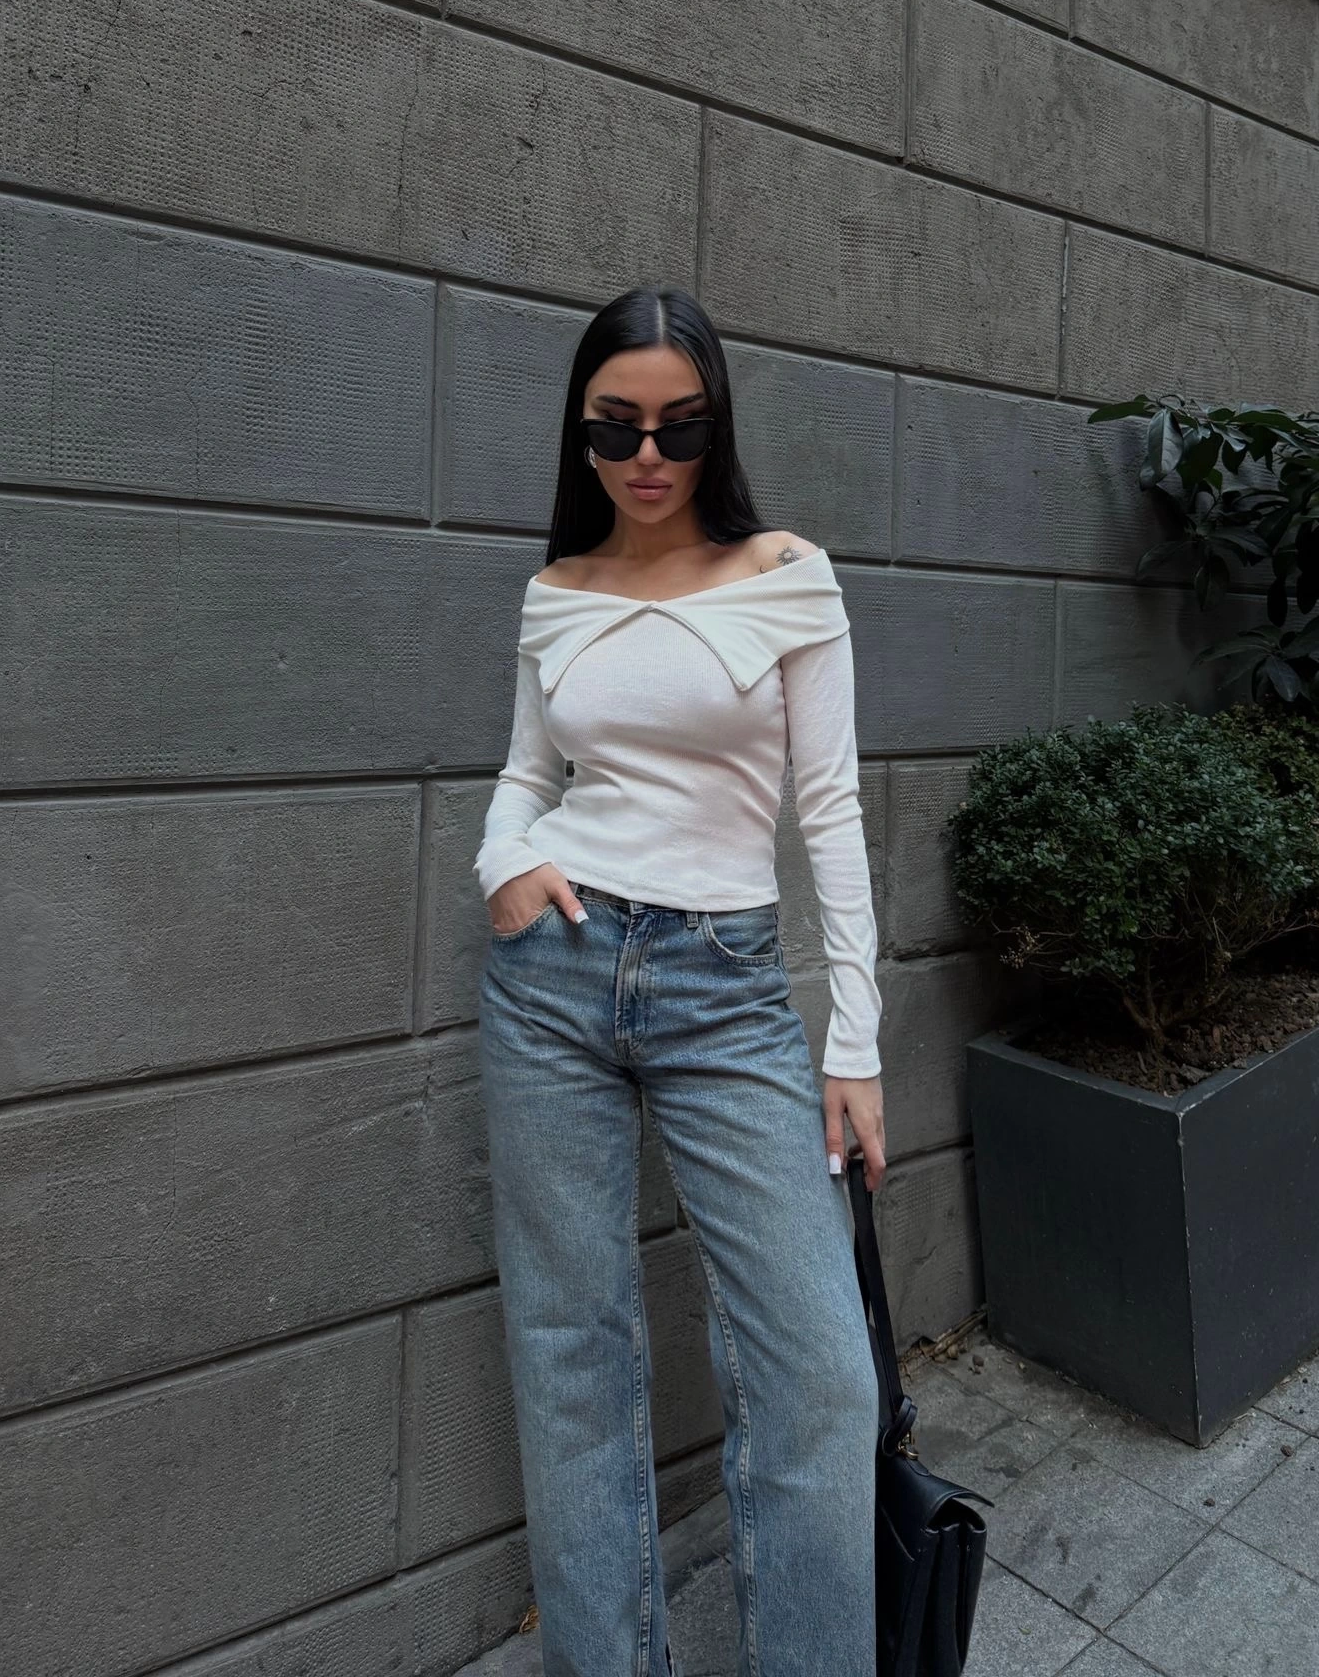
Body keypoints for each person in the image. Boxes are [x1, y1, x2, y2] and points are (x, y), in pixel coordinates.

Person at [473, 284, 885, 1676]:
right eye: (616, 427)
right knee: (570, 1353)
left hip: (727, 986)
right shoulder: (556, 591)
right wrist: (502, 866)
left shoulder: (789, 575)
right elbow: (526, 775)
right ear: (580, 432)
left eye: (680, 425)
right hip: (550, 979)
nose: (647, 456)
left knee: (819, 1374)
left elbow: (830, 810)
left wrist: (854, 1042)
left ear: (717, 429)